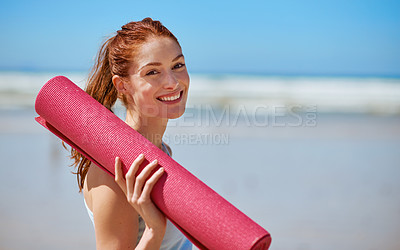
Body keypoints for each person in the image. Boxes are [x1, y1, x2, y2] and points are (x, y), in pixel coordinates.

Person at [69, 18, 193, 249]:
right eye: (153, 72)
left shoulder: (160, 150)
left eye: (178, 65)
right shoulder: (115, 171)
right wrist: (154, 231)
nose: (173, 82)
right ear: (122, 85)